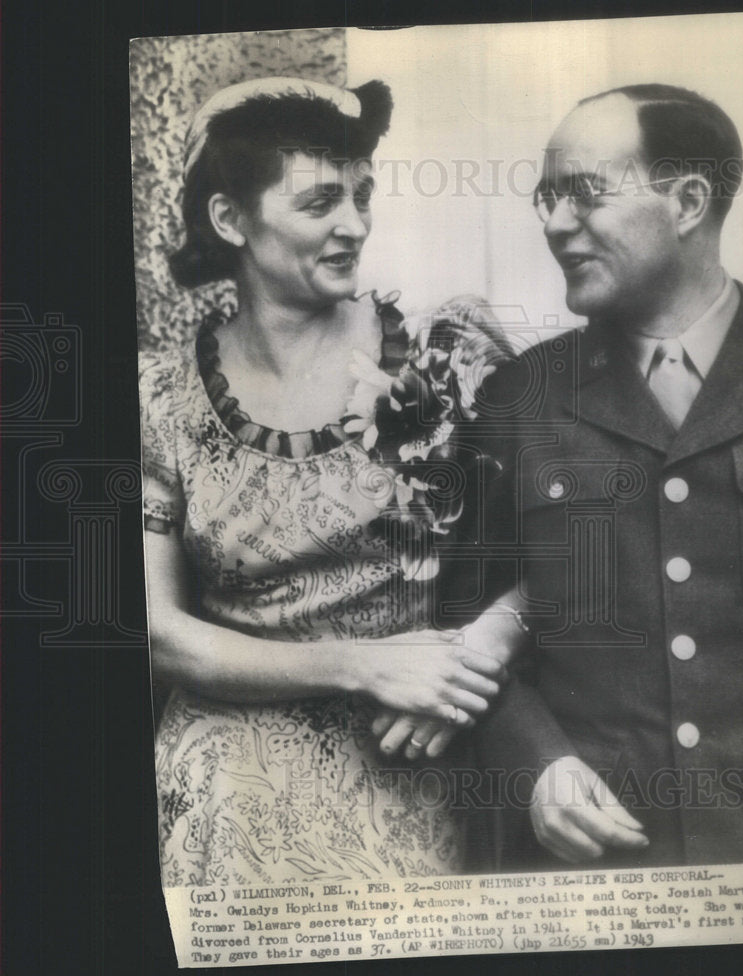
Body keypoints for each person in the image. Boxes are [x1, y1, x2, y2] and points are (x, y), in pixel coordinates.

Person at [139, 77, 525, 886]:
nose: (354, 225)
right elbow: (160, 631)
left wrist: (471, 653)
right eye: (320, 203)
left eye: (363, 196)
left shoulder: (447, 357)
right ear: (229, 219)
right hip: (222, 796)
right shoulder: (159, 400)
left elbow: (558, 561)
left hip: (407, 754)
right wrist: (362, 663)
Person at [471, 84, 743, 868]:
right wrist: (536, 766)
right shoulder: (520, 398)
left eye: (584, 197)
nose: (555, 225)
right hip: (596, 860)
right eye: (546, 199)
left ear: (688, 202)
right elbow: (461, 623)